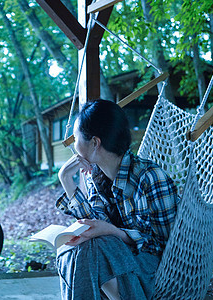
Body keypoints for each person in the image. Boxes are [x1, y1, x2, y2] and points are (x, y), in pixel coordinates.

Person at [56, 99, 179, 299]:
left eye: (75, 138)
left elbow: (168, 248)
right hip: (115, 264)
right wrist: (66, 181)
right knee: (72, 248)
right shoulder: (95, 178)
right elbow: (94, 228)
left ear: (95, 143)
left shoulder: (150, 178)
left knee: (90, 250)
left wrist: (116, 232)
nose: (73, 145)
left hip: (154, 273)